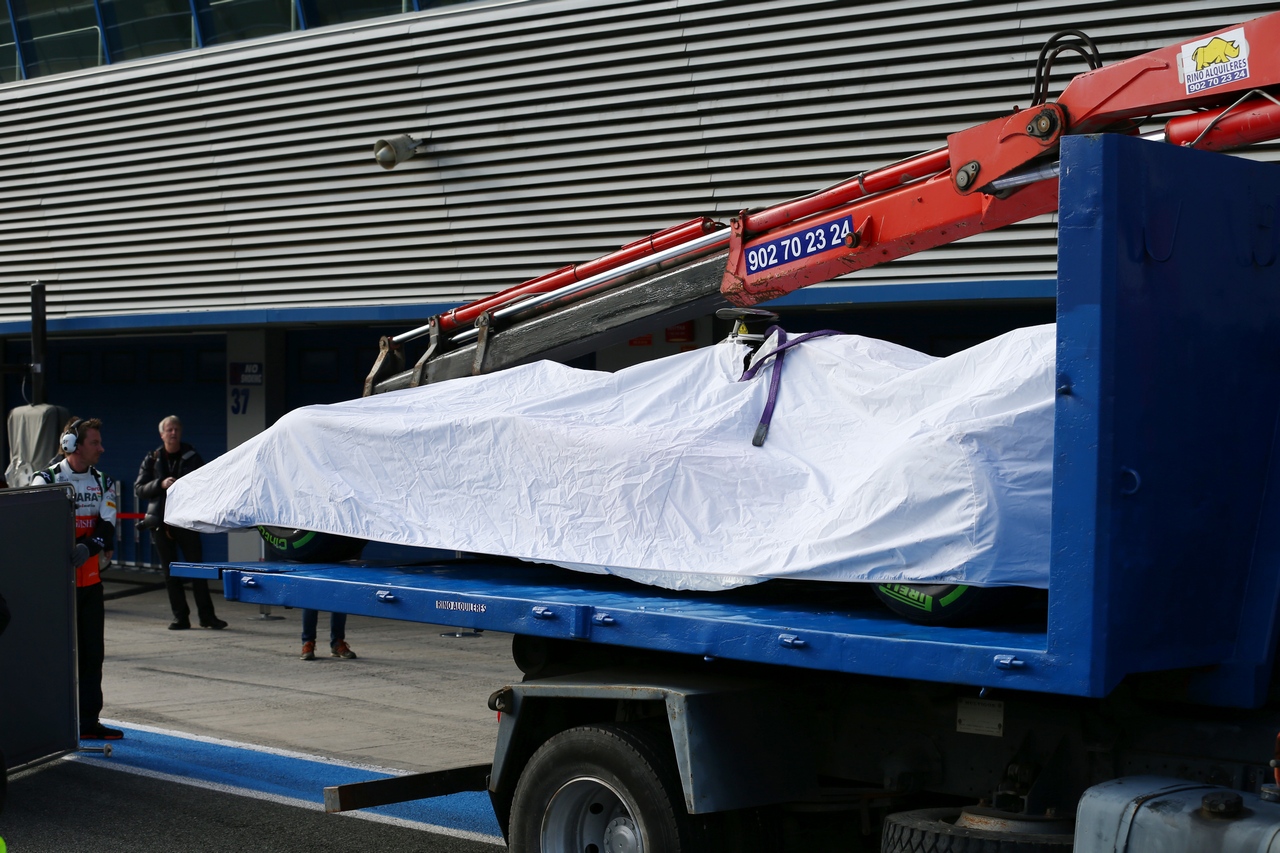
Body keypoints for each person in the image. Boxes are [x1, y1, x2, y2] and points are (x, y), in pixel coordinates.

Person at [34, 417, 123, 741]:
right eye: (94, 443)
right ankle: (48, 718)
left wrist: (88, 545)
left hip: (90, 583)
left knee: (92, 654)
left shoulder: (103, 480)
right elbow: (34, 526)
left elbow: (108, 523)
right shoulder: (47, 479)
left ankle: (88, 721)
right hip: (56, 587)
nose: (101, 448)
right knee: (55, 654)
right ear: (73, 445)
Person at [135, 415, 226, 631]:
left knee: (198, 570)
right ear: (162, 434)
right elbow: (140, 488)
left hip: (186, 521)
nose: (173, 433)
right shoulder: (152, 457)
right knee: (170, 573)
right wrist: (160, 483)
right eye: (169, 429)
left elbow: (207, 483)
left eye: (176, 429)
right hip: (161, 521)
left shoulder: (192, 456)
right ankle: (180, 617)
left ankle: (207, 617)